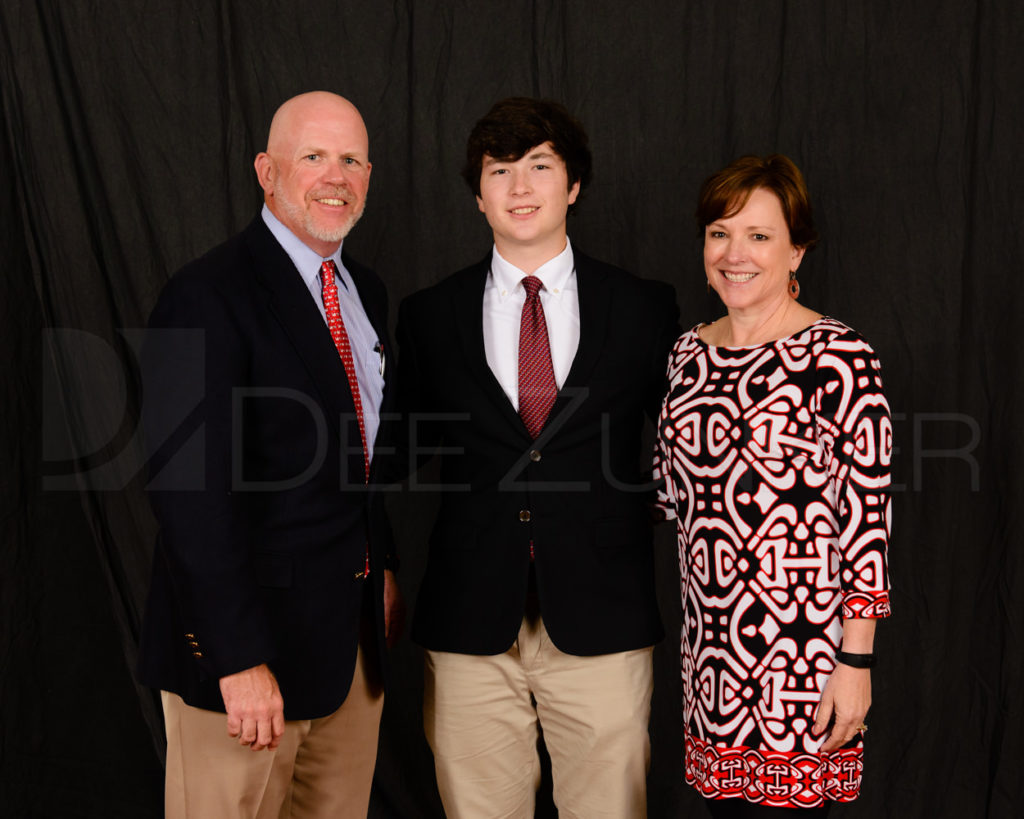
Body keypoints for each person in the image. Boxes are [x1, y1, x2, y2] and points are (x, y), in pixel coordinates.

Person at [392, 97, 680, 818]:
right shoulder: (429, 315)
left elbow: (687, 443)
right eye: (500, 170)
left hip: (603, 624)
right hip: (469, 630)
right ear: (479, 193)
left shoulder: (643, 307)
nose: (520, 187)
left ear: (573, 186)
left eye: (539, 166)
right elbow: (395, 450)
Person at [137, 91, 403, 819]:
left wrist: (379, 562)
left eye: (351, 159)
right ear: (267, 169)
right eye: (313, 156)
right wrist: (234, 656)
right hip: (247, 666)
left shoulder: (367, 293)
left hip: (348, 659)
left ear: (370, 175)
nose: (334, 175)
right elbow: (189, 494)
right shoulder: (206, 293)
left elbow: (359, 460)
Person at [654, 154, 892, 817]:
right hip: (710, 661)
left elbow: (866, 520)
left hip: (804, 661)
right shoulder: (687, 355)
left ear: (797, 251)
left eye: (759, 235)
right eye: (719, 233)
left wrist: (857, 661)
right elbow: (670, 493)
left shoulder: (839, 357)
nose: (736, 253)